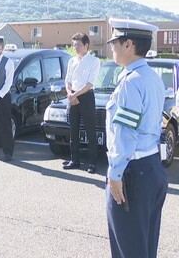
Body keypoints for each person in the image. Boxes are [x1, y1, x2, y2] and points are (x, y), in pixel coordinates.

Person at [105, 18, 167, 258]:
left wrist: (115, 174)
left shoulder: (131, 83)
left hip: (132, 171)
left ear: (128, 44)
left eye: (115, 42)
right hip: (151, 168)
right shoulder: (153, 78)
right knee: (145, 245)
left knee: (128, 248)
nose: (112, 47)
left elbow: (125, 133)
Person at [63, 33, 101, 173]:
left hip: (86, 97)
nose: (76, 48)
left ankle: (92, 163)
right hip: (72, 96)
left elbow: (90, 83)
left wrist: (75, 95)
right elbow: (67, 80)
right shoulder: (72, 61)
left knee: (90, 130)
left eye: (78, 45)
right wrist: (70, 94)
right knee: (74, 130)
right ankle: (75, 160)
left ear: (86, 45)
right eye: (74, 45)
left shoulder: (94, 61)